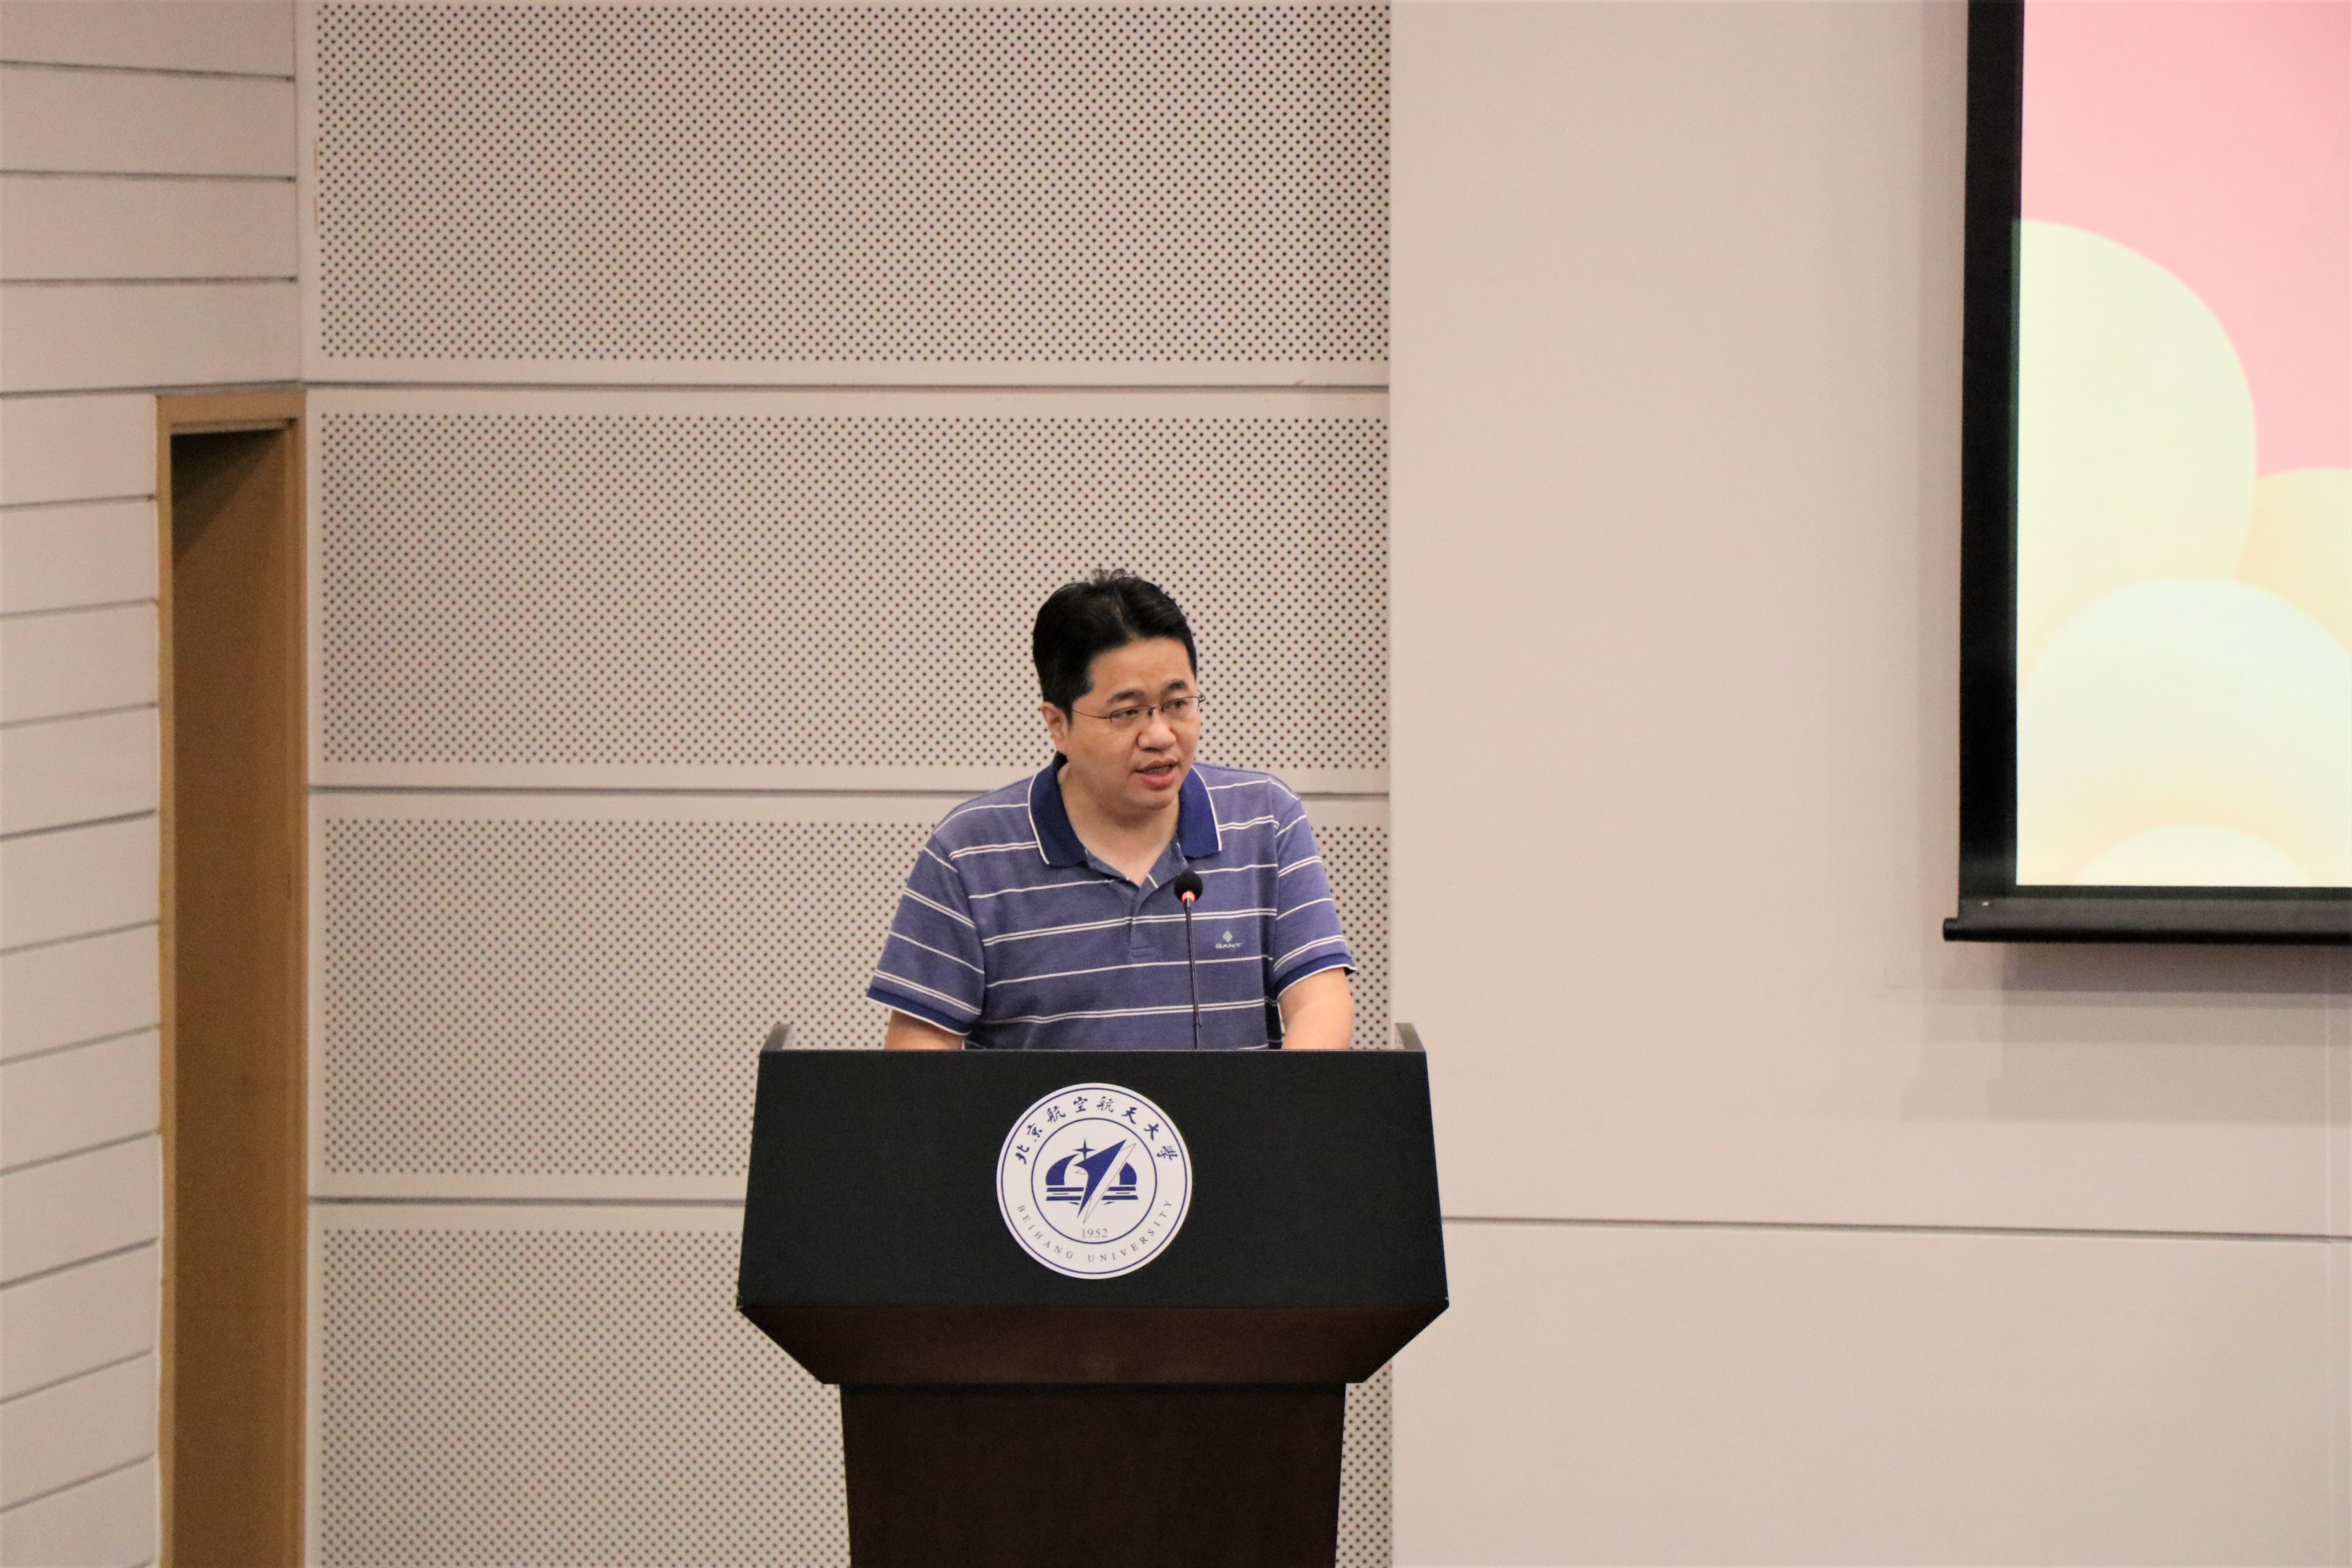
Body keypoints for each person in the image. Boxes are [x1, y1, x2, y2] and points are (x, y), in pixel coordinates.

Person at [868, 572, 1355, 1050]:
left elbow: (1321, 1003)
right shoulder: (968, 852)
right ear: (1058, 725)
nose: (1160, 735)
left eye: (1178, 703)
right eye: (1126, 713)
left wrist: (1286, 1100)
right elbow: (920, 1042)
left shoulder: (1265, 819)